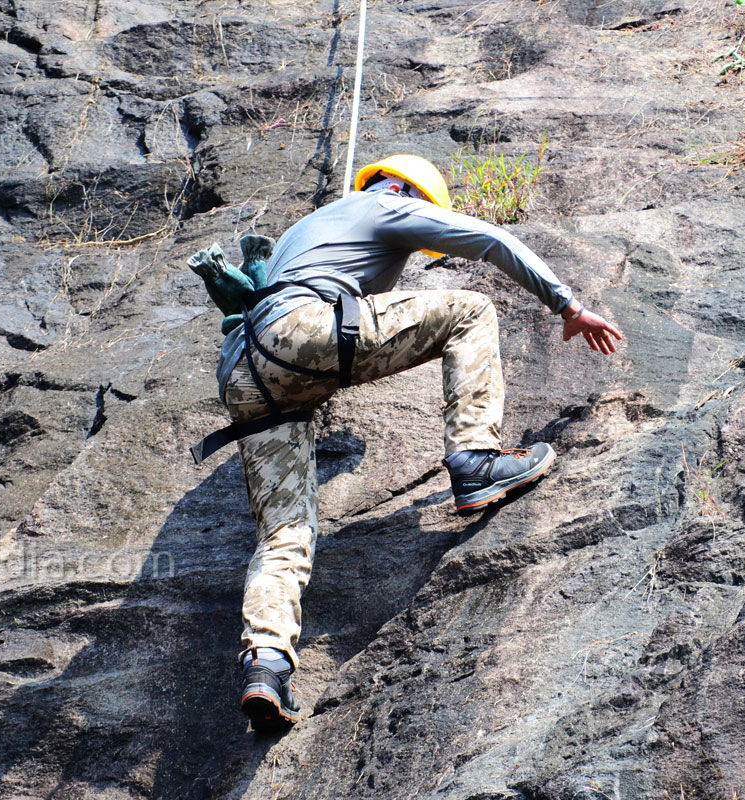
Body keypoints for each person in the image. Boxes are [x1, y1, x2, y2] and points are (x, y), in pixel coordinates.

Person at [215, 154, 623, 731]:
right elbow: (489, 240)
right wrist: (568, 304)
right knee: (470, 309)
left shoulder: (304, 234)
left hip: (244, 372)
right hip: (302, 330)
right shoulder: (384, 201)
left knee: (284, 534)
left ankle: (268, 666)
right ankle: (476, 458)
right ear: (400, 189)